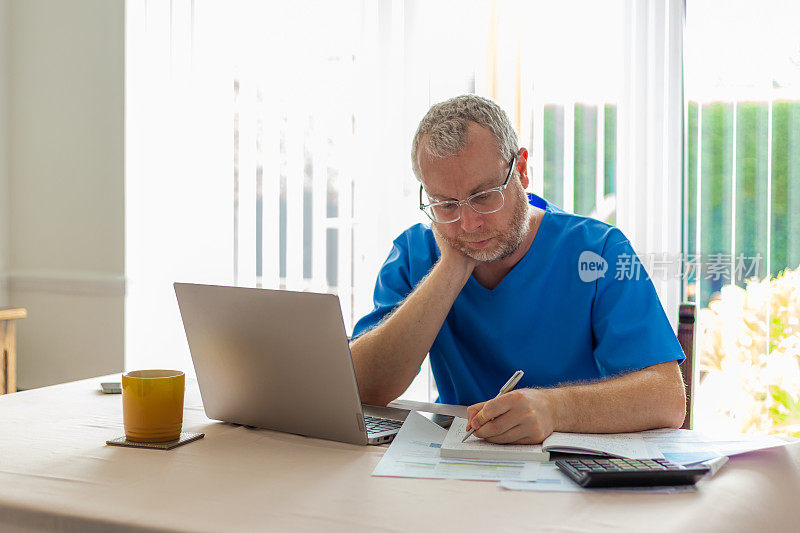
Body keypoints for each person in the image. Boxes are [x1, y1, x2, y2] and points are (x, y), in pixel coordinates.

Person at [349, 94, 686, 444]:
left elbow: (667, 399)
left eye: (483, 196)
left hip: (564, 461)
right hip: (453, 460)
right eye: (446, 204)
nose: (469, 223)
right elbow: (361, 388)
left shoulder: (599, 250)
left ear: (521, 170)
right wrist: (452, 265)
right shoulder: (413, 252)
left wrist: (555, 410)